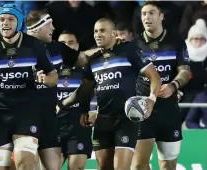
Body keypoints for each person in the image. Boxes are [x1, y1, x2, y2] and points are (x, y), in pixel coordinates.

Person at [58, 18, 162, 170]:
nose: (97, 35)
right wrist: (83, 110)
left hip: (126, 120)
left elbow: (155, 78)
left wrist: (151, 101)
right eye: (95, 31)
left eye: (102, 31)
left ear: (114, 33)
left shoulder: (129, 50)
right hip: (103, 121)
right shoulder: (92, 61)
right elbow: (84, 90)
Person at [0, 4, 58, 170]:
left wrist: (45, 79)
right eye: (2, 19)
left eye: (10, 19)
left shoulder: (34, 46)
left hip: (26, 114)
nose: (5, 23)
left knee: (24, 161)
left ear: (18, 22)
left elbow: (53, 76)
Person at [25, 9, 97, 170]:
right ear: (37, 28)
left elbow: (83, 58)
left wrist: (108, 48)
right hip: (25, 118)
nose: (53, 28)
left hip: (51, 119)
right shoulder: (17, 48)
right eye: (49, 24)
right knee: (26, 165)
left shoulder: (57, 49)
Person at [132, 2, 191, 170]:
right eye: (143, 14)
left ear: (161, 16)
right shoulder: (134, 45)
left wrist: (173, 85)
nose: (146, 17)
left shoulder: (176, 41)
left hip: (169, 111)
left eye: (151, 13)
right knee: (138, 166)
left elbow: (185, 71)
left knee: (168, 166)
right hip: (143, 111)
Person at [56, 31, 93, 169]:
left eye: (71, 43)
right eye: (63, 44)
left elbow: (93, 92)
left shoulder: (87, 69)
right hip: (54, 126)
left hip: (79, 127)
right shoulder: (48, 68)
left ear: (77, 46)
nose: (67, 46)